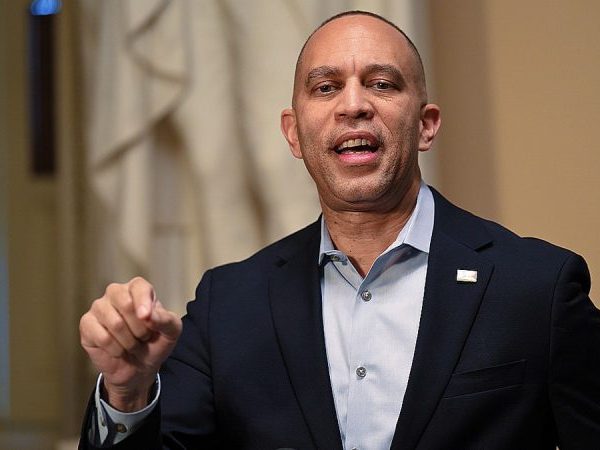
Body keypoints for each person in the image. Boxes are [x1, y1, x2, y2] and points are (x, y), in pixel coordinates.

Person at [78, 10, 600, 450]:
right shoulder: (228, 305)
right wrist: (127, 394)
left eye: (382, 84)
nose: (353, 105)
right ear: (294, 134)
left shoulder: (537, 288)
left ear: (426, 125)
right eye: (326, 88)